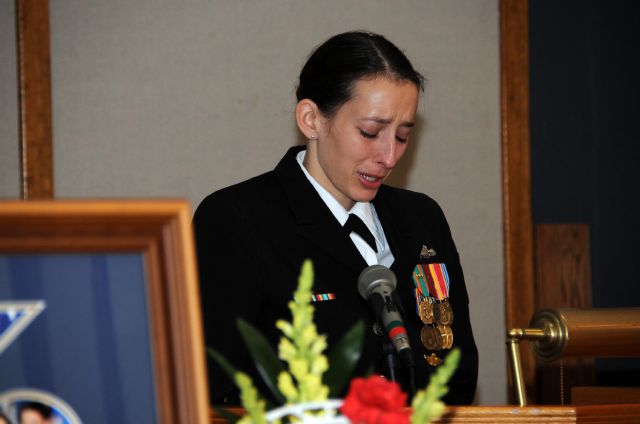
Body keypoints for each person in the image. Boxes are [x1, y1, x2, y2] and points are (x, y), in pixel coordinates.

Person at [194, 30, 478, 406]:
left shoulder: (422, 218)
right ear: (311, 119)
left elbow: (457, 374)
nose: (389, 157)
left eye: (402, 136)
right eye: (370, 132)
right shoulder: (237, 219)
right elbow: (216, 390)